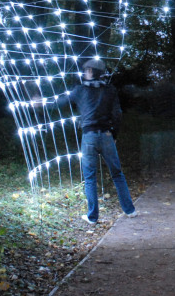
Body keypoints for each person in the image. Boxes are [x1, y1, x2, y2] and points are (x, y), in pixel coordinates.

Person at [58, 58, 137, 224]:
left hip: (89, 137)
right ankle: (130, 210)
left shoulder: (80, 90)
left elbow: (61, 102)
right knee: (117, 174)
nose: (84, 72)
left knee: (90, 177)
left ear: (91, 72)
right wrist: (114, 135)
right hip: (106, 135)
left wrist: (38, 104)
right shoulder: (109, 90)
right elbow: (117, 114)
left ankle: (92, 217)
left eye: (87, 70)